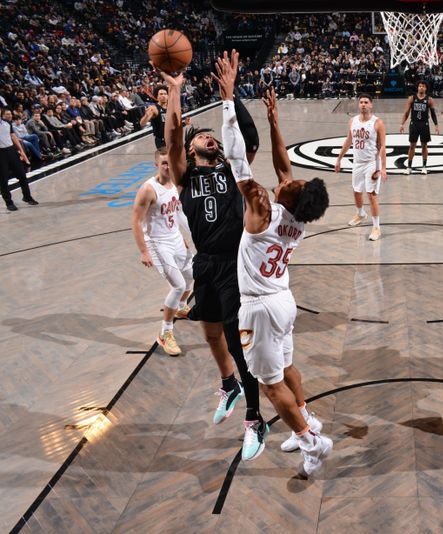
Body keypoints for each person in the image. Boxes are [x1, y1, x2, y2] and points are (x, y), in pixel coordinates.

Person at [212, 51, 333, 474]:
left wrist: (228, 100)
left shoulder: (263, 210)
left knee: (268, 383)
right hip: (282, 301)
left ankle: (310, 441)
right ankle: (307, 415)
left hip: (260, 307)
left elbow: (237, 160)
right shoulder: (294, 218)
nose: (290, 177)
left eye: (294, 183)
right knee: (286, 368)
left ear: (292, 197)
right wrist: (275, 119)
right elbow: (283, 163)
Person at [157, 54, 266, 462]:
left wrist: (231, 98)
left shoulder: (232, 170)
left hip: (234, 263)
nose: (211, 139)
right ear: (190, 149)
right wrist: (175, 93)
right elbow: (170, 141)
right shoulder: (185, 175)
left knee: (241, 346)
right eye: (202, 136)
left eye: (213, 137)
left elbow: (244, 141)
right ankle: (230, 385)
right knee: (210, 333)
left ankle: (255, 419)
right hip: (204, 262)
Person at [131, 149, 193, 356]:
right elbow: (136, 221)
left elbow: (177, 212)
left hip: (175, 239)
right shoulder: (148, 189)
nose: (168, 166)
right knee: (179, 285)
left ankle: (182, 307)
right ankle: (165, 333)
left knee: (192, 277)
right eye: (164, 163)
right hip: (158, 244)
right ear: (156, 165)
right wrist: (144, 251)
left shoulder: (176, 183)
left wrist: (188, 235)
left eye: (170, 163)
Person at [335, 93, 387, 241]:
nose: (363, 104)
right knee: (357, 191)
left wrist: (383, 167)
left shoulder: (378, 123)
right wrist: (339, 159)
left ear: (371, 105)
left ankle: (376, 227)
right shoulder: (352, 121)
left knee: (371, 195)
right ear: (359, 105)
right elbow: (348, 141)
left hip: (372, 163)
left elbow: (383, 146)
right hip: (357, 162)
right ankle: (360, 214)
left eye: (366, 102)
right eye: (361, 102)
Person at [0, 108, 37, 211]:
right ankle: (9, 202)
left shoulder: (7, 122)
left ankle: (27, 196)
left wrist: (22, 151)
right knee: (3, 180)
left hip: (11, 150)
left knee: (22, 175)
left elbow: (13, 136)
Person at [399, 80, 440, 175]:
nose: (421, 87)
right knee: (412, 146)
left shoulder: (429, 99)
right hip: (414, 124)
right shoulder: (411, 98)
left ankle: (424, 167)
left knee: (424, 146)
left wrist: (436, 125)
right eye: (420, 86)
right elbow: (406, 113)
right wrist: (402, 124)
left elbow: (433, 114)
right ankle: (409, 167)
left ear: (426, 88)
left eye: (423, 86)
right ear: (417, 87)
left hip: (424, 124)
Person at [140, 85, 169, 149]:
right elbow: (142, 123)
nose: (163, 95)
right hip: (162, 142)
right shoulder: (154, 108)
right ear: (157, 96)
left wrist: (184, 123)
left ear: (168, 96)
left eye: (165, 94)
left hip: (173, 139)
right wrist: (146, 116)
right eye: (161, 94)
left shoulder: (171, 107)